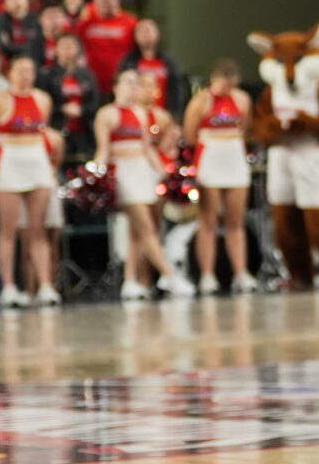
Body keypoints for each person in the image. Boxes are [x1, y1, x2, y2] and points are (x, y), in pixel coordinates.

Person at [96, 70, 189, 301]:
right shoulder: (106, 114)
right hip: (123, 172)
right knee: (146, 227)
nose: (132, 87)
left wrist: (164, 172)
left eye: (135, 83)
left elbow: (147, 147)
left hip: (141, 171)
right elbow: (103, 150)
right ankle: (169, 275)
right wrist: (95, 175)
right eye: (128, 82)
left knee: (137, 232)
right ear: (115, 86)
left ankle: (130, 281)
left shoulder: (140, 113)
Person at [0, 52, 62, 307]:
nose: (26, 75)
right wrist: (1, 157)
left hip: (36, 159)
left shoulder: (43, 99)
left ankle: (45, 285)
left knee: (37, 229)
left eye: (30, 70)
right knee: (8, 230)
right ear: (10, 73)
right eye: (21, 70)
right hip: (10, 160)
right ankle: (9, 286)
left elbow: (46, 132)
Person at [183, 58, 257, 295]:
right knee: (208, 221)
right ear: (215, 79)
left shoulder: (242, 99)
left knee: (236, 221)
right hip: (211, 157)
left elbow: (245, 128)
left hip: (234, 156)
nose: (228, 88)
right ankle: (207, 274)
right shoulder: (201, 100)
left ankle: (241, 272)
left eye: (232, 83)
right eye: (224, 83)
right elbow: (190, 134)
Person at [41, 31, 99, 166]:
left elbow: (95, 103)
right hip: (57, 130)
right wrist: (62, 109)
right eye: (64, 45)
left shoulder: (87, 75)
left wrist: (82, 110)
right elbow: (42, 105)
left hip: (84, 133)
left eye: (71, 45)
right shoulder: (47, 75)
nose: (68, 49)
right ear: (56, 50)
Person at [78, 0, 138, 92]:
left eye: (109, 3)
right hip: (92, 85)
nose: (105, 6)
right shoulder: (86, 20)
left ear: (117, 0)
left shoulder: (131, 22)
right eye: (101, 3)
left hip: (121, 86)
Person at [119, 17, 184, 114]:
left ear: (158, 34)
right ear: (135, 36)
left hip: (162, 115)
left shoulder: (168, 61)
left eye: (149, 30)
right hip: (136, 115)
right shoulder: (129, 61)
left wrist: (175, 115)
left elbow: (177, 90)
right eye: (141, 31)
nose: (146, 33)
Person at [0, 0, 45, 65]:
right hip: (10, 65)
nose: (15, 0)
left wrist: (11, 46)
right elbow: (3, 46)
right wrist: (26, 47)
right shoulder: (0, 20)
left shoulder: (38, 19)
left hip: (35, 64)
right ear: (4, 4)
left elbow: (38, 47)